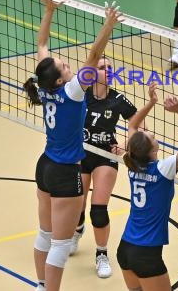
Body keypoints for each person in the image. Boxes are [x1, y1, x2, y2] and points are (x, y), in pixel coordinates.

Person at [23, 0, 123, 291]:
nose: (68, 66)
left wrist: (49, 11)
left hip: (45, 166)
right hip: (66, 171)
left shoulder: (45, 87)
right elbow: (93, 56)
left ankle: (41, 285)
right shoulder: (72, 92)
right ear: (59, 79)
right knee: (61, 243)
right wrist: (108, 25)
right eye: (65, 67)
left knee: (44, 234)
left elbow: (41, 45)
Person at [117, 83, 178, 291]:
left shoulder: (132, 164)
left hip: (125, 249)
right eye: (151, 136)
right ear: (150, 149)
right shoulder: (163, 169)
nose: (152, 134)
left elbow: (132, 127)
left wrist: (151, 103)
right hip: (147, 255)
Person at [68, 56, 140, 279]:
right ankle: (77, 229)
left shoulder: (118, 99)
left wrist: (125, 144)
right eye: (102, 67)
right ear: (93, 72)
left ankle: (101, 255)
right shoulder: (82, 95)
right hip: (81, 153)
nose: (107, 70)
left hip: (105, 156)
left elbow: (138, 124)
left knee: (98, 210)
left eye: (110, 67)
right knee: (77, 205)